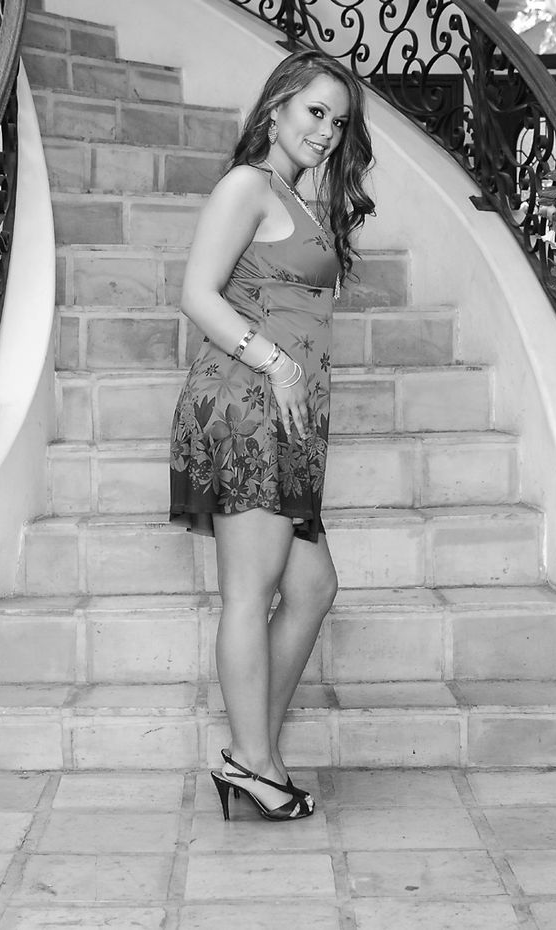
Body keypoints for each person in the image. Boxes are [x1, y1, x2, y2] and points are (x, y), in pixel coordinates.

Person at [168, 49, 375, 822]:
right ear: (277, 105)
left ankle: (253, 755)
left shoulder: (293, 192)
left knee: (313, 588)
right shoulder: (246, 186)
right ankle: (255, 762)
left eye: (339, 122)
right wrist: (278, 364)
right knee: (250, 594)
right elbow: (197, 293)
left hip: (288, 419)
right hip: (248, 408)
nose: (326, 132)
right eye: (315, 112)